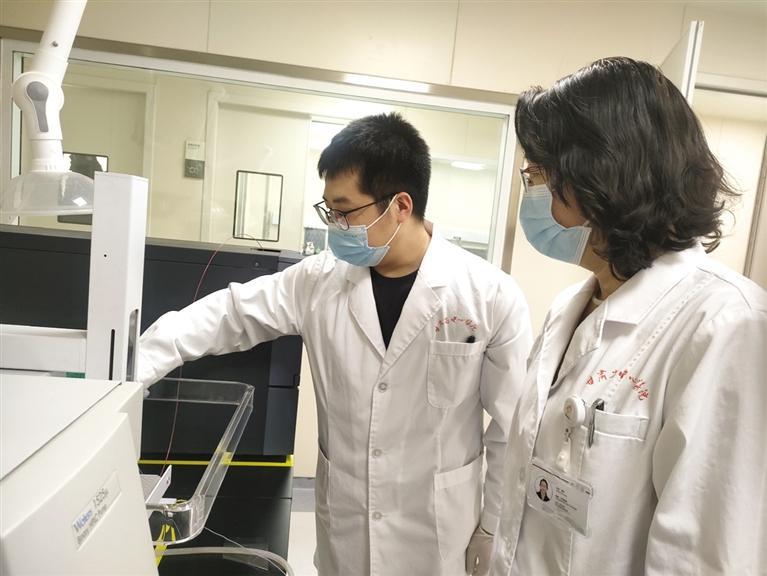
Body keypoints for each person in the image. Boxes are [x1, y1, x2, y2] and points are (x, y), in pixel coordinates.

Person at [137, 113, 533, 576]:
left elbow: (512, 429)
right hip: (347, 525)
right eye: (328, 210)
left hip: (439, 535)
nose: (335, 225)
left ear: (400, 205)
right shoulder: (318, 280)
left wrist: (493, 527)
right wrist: (137, 364)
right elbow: (232, 313)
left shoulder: (489, 294)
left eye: (345, 211)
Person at [490, 57, 767, 575]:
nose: (532, 197)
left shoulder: (726, 325)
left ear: (603, 177)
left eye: (539, 176)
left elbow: (703, 556)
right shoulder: (570, 308)